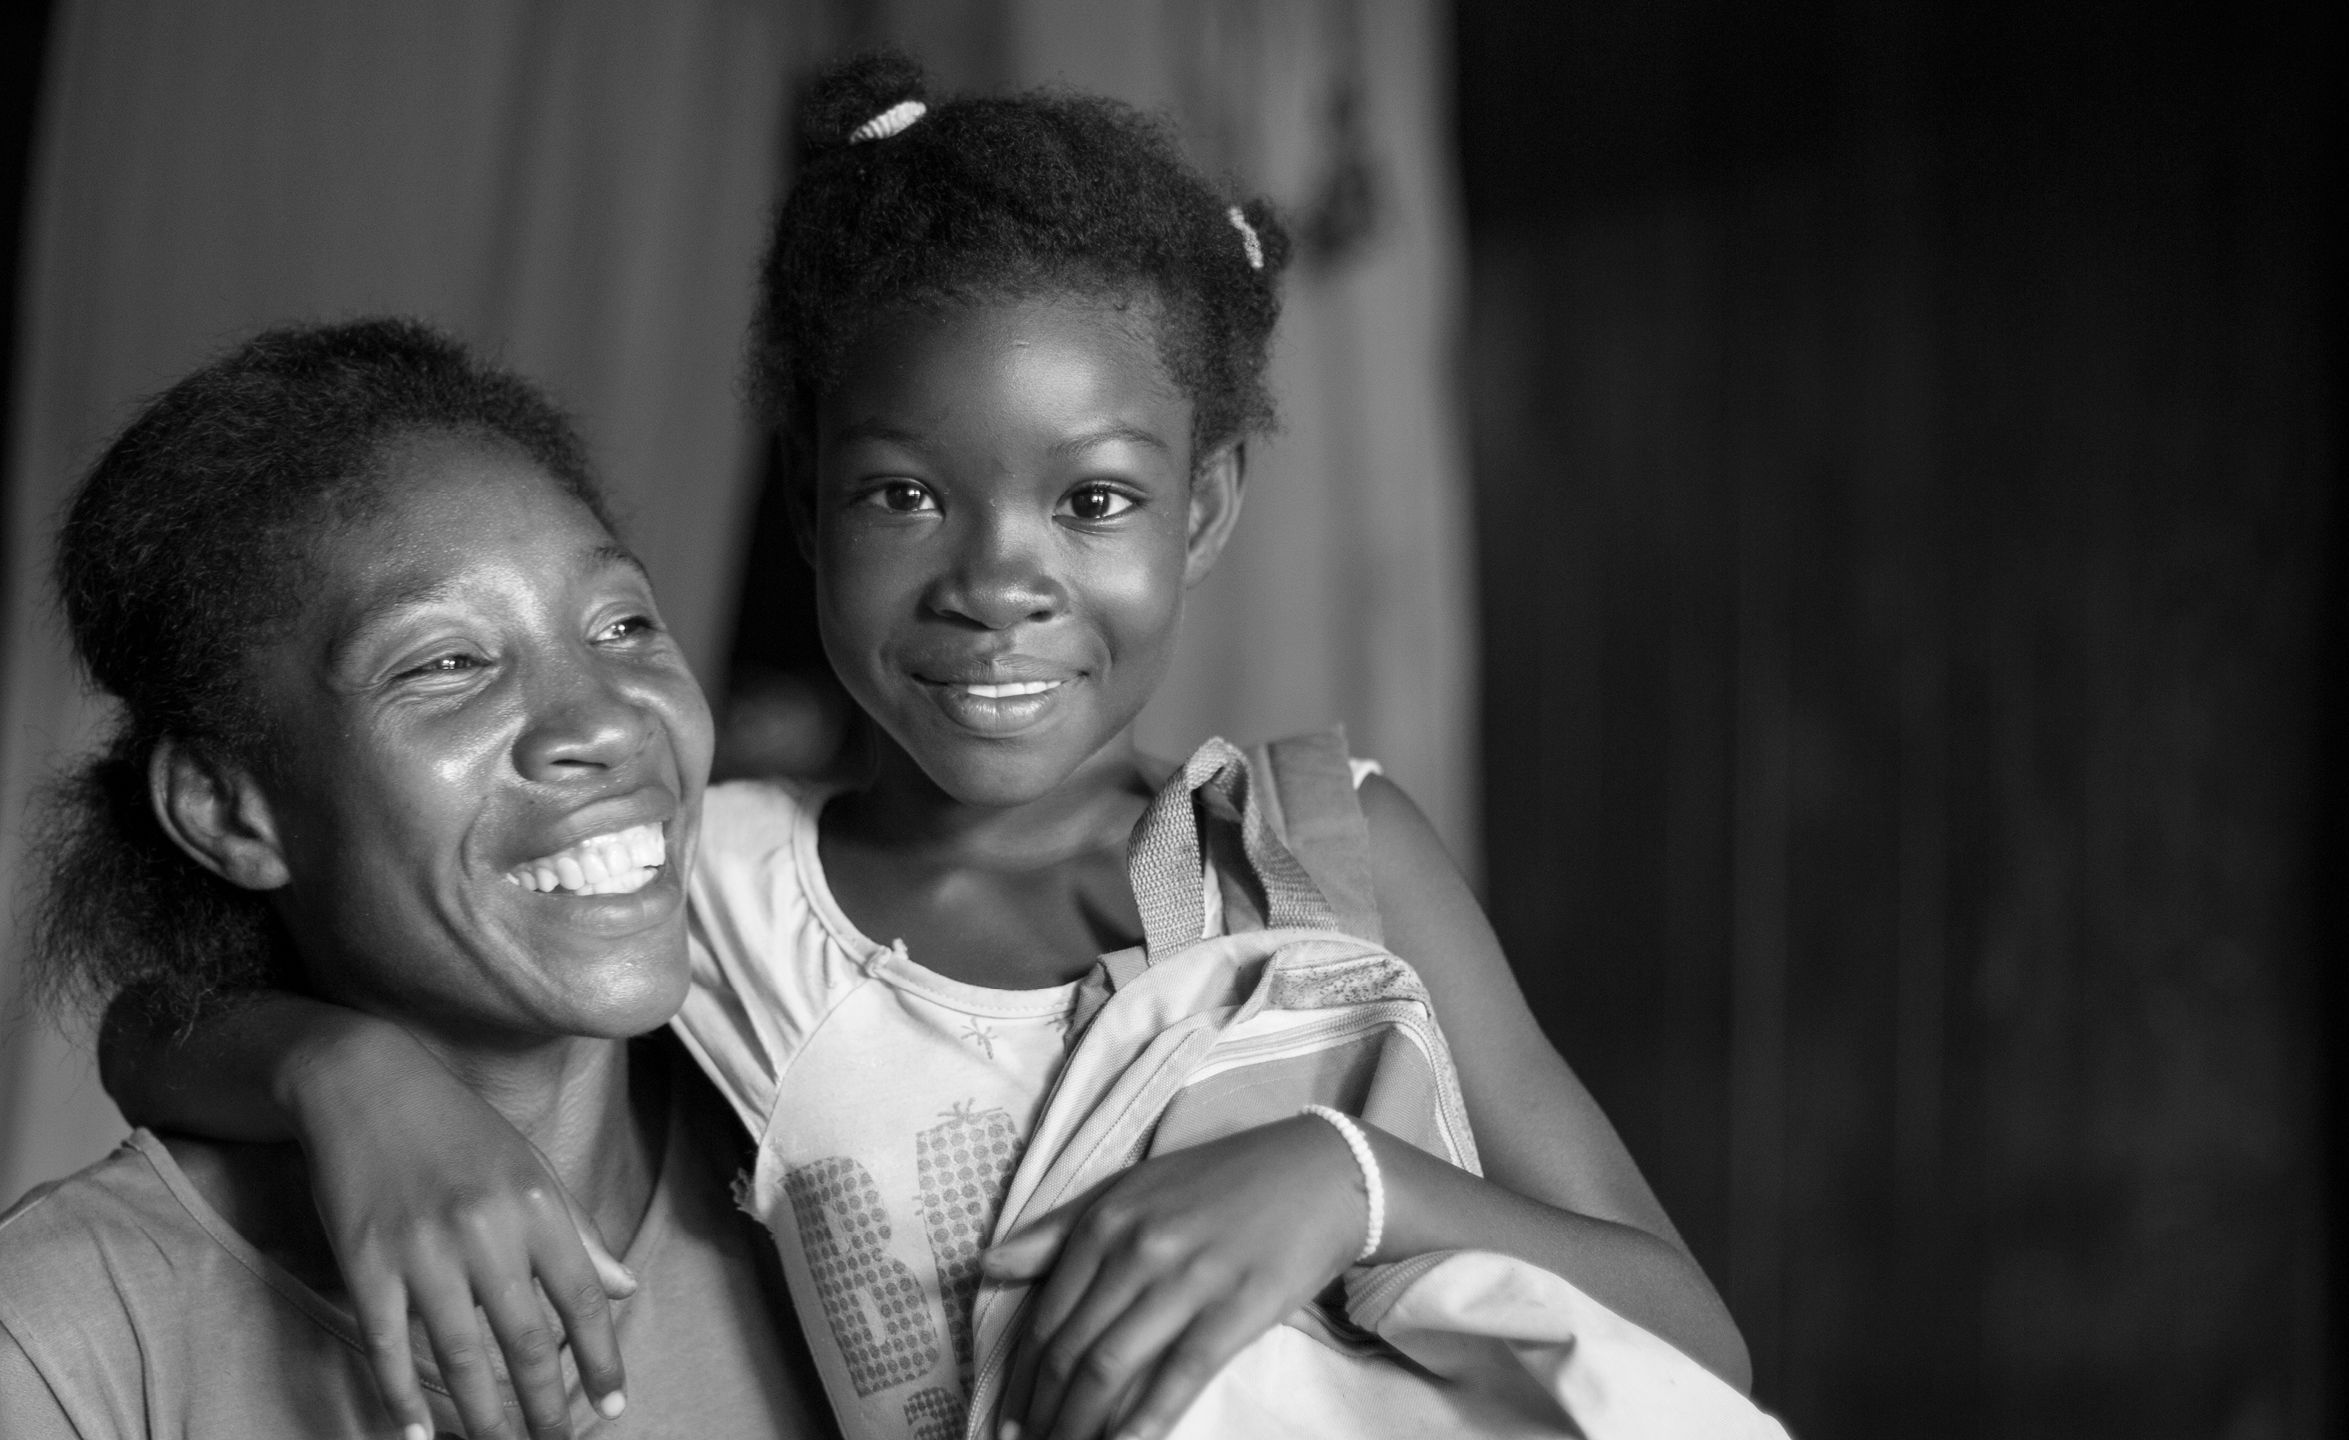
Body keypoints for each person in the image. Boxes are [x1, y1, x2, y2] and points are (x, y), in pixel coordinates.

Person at [101, 53, 1753, 1440]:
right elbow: (151, 1034)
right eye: (904, 495)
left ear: (1207, 508)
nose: (995, 586)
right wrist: (352, 1076)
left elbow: (1697, 1348)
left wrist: (1350, 1179)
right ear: (808, 494)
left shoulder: (1323, 853)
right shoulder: (727, 903)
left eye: (1095, 500)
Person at [0, 320, 833, 1440]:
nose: (603, 722)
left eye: (624, 622)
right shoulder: (66, 1334)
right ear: (228, 810)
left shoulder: (825, 1177)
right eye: (447, 663)